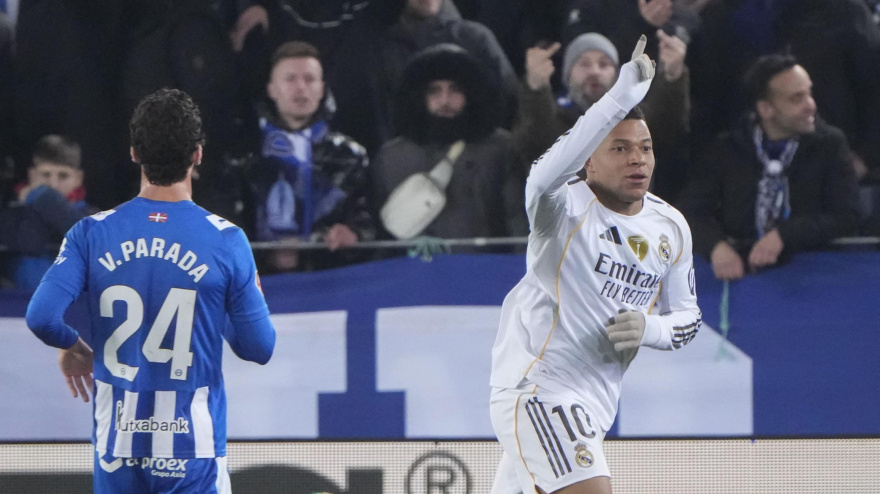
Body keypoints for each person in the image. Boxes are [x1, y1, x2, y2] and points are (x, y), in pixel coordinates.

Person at [25, 89, 276, 493]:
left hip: (117, 445)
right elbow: (258, 348)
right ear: (197, 154)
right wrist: (220, 305)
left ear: (134, 154)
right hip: (192, 449)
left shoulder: (91, 233)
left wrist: (73, 346)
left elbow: (41, 317)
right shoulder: (226, 241)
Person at [489, 37, 701, 494]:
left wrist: (651, 329)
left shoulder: (670, 225)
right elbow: (541, 175)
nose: (638, 159)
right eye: (620, 149)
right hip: (538, 388)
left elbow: (688, 317)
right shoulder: (559, 209)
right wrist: (621, 96)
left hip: (596, 404)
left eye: (644, 147)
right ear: (588, 160)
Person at [677, 54, 860, 281]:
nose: (811, 105)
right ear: (765, 109)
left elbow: (847, 215)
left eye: (809, 93)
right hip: (740, 274)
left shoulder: (830, 144)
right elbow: (688, 211)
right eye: (797, 98)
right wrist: (716, 247)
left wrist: (784, 235)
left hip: (811, 270)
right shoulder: (728, 148)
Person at [372, 44, 528, 242]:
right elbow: (380, 237)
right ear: (418, 96)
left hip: (487, 270)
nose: (444, 100)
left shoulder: (500, 149)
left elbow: (519, 224)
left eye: (455, 89)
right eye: (434, 91)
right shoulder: (390, 158)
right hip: (415, 271)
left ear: (472, 94)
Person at [514, 31, 690, 202]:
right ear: (567, 75)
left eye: (604, 64)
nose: (595, 71)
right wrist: (536, 88)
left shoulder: (634, 119)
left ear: (616, 74)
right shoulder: (553, 118)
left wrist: (672, 76)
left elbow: (668, 130)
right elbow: (535, 144)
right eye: (584, 64)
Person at [248, 41, 375, 272]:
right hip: (254, 284)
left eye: (309, 79)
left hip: (329, 282)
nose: (301, 88)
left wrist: (353, 234)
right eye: (290, 79)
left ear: (322, 88)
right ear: (271, 89)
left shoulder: (349, 156)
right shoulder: (246, 155)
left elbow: (368, 224)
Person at [0, 135, 97, 290]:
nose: (53, 184)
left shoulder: (94, 217)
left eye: (63, 175)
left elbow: (87, 236)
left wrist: (42, 196)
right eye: (46, 175)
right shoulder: (13, 214)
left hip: (78, 310)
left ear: (78, 178)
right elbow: (29, 243)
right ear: (32, 176)